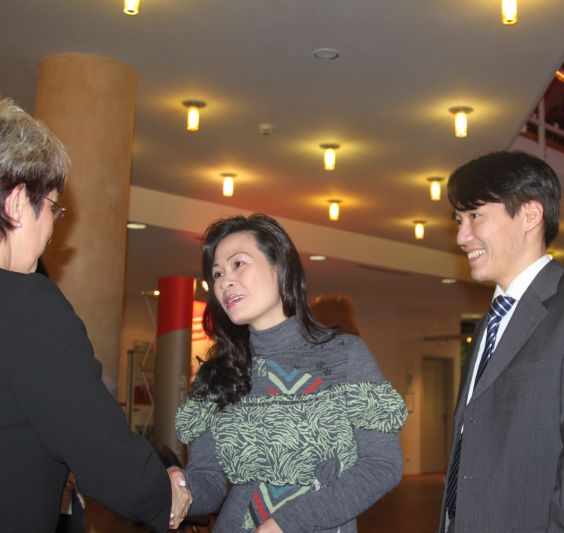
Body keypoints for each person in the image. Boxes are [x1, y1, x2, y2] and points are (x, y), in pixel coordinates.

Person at [0, 98, 180, 531]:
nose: (52, 228)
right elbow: (103, 452)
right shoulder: (27, 306)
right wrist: (166, 493)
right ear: (19, 203)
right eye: (54, 208)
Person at [170, 214, 407, 533]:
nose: (225, 281)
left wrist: (288, 522)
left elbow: (382, 465)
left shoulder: (344, 355)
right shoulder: (218, 375)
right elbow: (209, 481)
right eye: (217, 273)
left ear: (280, 266)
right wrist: (180, 488)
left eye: (239, 263)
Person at [439, 151, 564, 532]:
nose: (462, 237)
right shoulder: (492, 320)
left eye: (475, 216)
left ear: (530, 215)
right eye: (459, 220)